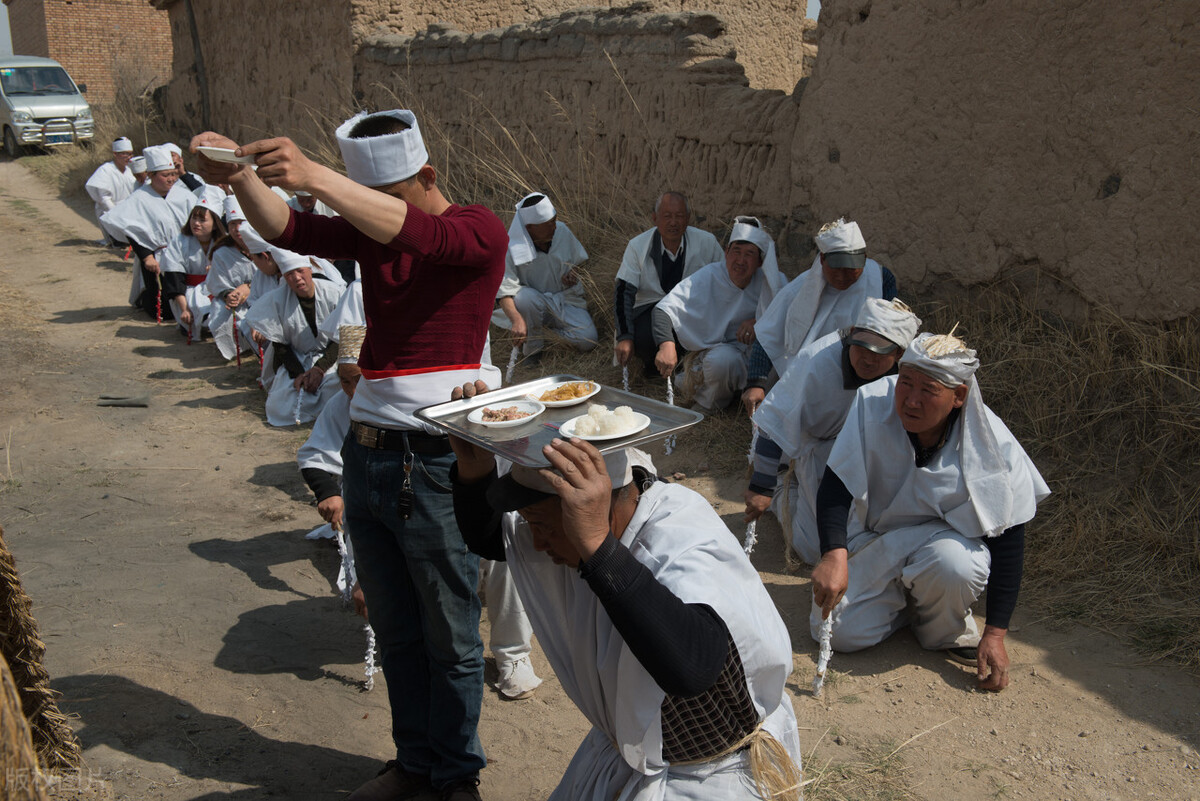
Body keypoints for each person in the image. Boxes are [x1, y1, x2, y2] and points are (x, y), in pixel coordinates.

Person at [193, 106, 506, 801]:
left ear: (428, 175)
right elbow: (288, 230)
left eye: (386, 195)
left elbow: (420, 234)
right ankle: (416, 763)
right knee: (396, 629)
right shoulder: (370, 230)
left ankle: (457, 777)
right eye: (368, 197)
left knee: (451, 635)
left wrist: (315, 176)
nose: (374, 211)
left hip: (435, 461)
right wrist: (239, 177)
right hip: (366, 456)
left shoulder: (477, 228)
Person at [448, 400, 803, 800]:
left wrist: (598, 548)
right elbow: (494, 540)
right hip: (629, 760)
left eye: (542, 525)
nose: (537, 542)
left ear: (594, 510)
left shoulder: (679, 534)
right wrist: (474, 471)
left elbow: (692, 668)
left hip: (710, 778)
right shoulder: (584, 530)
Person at [810, 330, 1050, 691]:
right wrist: (834, 554)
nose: (911, 400)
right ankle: (906, 604)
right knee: (837, 632)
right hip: (876, 538)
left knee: (957, 563)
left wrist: (995, 633)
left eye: (929, 390)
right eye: (905, 383)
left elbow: (1009, 535)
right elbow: (836, 484)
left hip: (945, 550)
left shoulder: (992, 444)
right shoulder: (871, 403)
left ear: (959, 396)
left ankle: (940, 629)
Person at [744, 297, 921, 563]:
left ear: (899, 354)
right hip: (812, 447)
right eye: (862, 347)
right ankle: (785, 486)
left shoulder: (907, 376)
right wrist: (763, 486)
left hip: (869, 449)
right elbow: (774, 424)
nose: (868, 359)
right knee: (816, 548)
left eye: (880, 353)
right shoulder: (817, 363)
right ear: (852, 334)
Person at [742, 218, 898, 415]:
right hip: (812, 379)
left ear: (864, 259)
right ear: (822, 260)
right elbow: (768, 335)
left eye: (851, 269)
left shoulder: (880, 279)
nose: (842, 277)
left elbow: (892, 328)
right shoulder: (799, 290)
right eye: (836, 269)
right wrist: (756, 383)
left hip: (864, 374)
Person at [653, 216, 785, 412]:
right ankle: (711, 405)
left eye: (749, 254)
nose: (741, 261)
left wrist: (759, 323)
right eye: (736, 251)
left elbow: (788, 320)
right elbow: (664, 309)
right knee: (721, 361)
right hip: (724, 355)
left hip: (759, 358)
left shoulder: (773, 282)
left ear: (760, 261)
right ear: (726, 253)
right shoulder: (709, 276)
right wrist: (666, 345)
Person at [613, 192, 724, 378]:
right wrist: (624, 337)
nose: (673, 222)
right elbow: (623, 293)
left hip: (692, 311)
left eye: (679, 216)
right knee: (642, 336)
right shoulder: (637, 246)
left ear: (688, 218)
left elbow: (724, 281)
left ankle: (687, 366)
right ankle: (654, 367)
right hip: (649, 312)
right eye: (667, 216)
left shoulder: (707, 243)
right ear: (655, 218)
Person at [242, 247, 344, 426]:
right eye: (289, 274)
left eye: (300, 271)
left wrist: (319, 368)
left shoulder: (334, 293)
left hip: (331, 358)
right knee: (282, 402)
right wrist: (298, 374)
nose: (296, 278)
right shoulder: (278, 300)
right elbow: (280, 344)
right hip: (297, 358)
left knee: (334, 385)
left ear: (310, 270)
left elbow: (341, 336)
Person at [494, 191, 596, 359]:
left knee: (588, 339)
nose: (554, 227)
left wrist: (574, 272)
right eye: (548, 224)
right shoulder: (511, 247)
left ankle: (539, 337)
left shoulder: (561, 231)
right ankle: (533, 350)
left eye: (554, 220)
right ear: (530, 227)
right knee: (523, 297)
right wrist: (516, 320)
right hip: (533, 306)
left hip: (566, 301)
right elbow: (504, 292)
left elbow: (580, 261)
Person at [99, 145, 188, 319]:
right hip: (156, 255)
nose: (171, 179)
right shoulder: (139, 199)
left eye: (173, 174)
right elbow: (132, 231)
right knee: (162, 307)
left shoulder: (183, 195)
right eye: (165, 175)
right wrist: (147, 257)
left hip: (182, 252)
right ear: (151, 175)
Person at [159, 186, 227, 341]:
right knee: (193, 313)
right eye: (194, 218)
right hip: (187, 292)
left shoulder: (224, 243)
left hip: (215, 290)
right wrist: (184, 309)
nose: (196, 223)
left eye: (202, 220)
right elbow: (174, 277)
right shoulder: (179, 242)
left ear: (215, 223)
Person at [206, 195, 257, 360]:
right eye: (232, 224)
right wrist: (228, 295)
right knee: (222, 316)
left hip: (262, 295)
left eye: (241, 222)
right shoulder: (222, 252)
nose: (237, 228)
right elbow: (217, 282)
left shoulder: (264, 245)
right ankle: (237, 348)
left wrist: (249, 287)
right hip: (237, 300)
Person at [84, 137, 136, 237]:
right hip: (110, 212)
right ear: (115, 154)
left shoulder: (131, 170)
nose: (128, 157)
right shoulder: (105, 170)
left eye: (130, 154)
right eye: (125, 154)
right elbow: (104, 199)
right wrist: (117, 215)